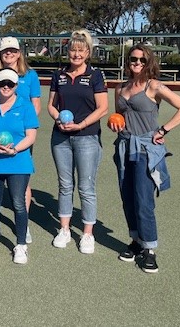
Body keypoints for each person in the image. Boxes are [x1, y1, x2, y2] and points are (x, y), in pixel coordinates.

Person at [110, 44, 180, 273]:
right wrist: (114, 123)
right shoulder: (121, 88)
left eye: (141, 60)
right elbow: (120, 116)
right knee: (128, 197)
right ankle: (136, 241)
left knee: (143, 199)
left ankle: (150, 249)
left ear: (149, 63)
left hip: (146, 149)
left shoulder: (153, 86)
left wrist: (163, 130)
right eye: (133, 59)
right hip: (125, 147)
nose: (136, 63)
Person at [47, 29, 108, 254]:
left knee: (86, 187)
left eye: (81, 50)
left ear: (88, 52)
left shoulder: (95, 75)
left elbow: (103, 108)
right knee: (65, 185)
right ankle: (64, 230)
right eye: (73, 49)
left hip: (87, 137)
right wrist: (58, 119)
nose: (76, 54)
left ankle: (87, 234)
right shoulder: (59, 75)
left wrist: (80, 125)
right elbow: (51, 105)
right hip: (60, 137)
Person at [0, 36, 41, 243]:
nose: (9, 54)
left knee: (20, 184)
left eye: (13, 50)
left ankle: (23, 226)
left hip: (20, 137)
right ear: (0, 53)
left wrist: (23, 132)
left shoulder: (30, 75)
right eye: (6, 50)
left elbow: (35, 105)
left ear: (19, 52)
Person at [0, 69, 39, 263]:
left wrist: (15, 150)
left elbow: (31, 136)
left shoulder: (26, 106)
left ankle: (21, 245)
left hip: (18, 163)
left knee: (19, 204)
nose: (6, 87)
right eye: (2, 83)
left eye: (10, 84)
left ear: (16, 86)